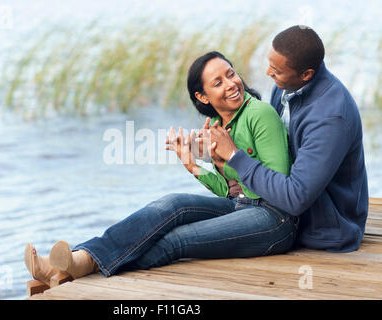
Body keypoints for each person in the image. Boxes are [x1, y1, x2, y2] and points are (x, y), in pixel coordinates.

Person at [24, 51, 299, 284]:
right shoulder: (220, 125)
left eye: (230, 74)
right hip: (242, 207)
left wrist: (233, 154)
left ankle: (78, 266)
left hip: (275, 219)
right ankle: (74, 263)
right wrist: (193, 165)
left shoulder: (260, 113)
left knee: (176, 240)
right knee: (169, 205)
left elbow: (279, 187)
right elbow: (230, 192)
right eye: (218, 82)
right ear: (203, 97)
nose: (231, 84)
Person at [206, 25, 368, 253]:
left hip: (320, 231)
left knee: (178, 241)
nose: (268, 74)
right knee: (174, 209)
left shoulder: (331, 117)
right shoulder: (285, 89)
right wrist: (216, 161)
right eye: (270, 65)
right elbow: (268, 157)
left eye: (277, 71)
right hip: (268, 206)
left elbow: (296, 197)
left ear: (306, 75)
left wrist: (234, 155)